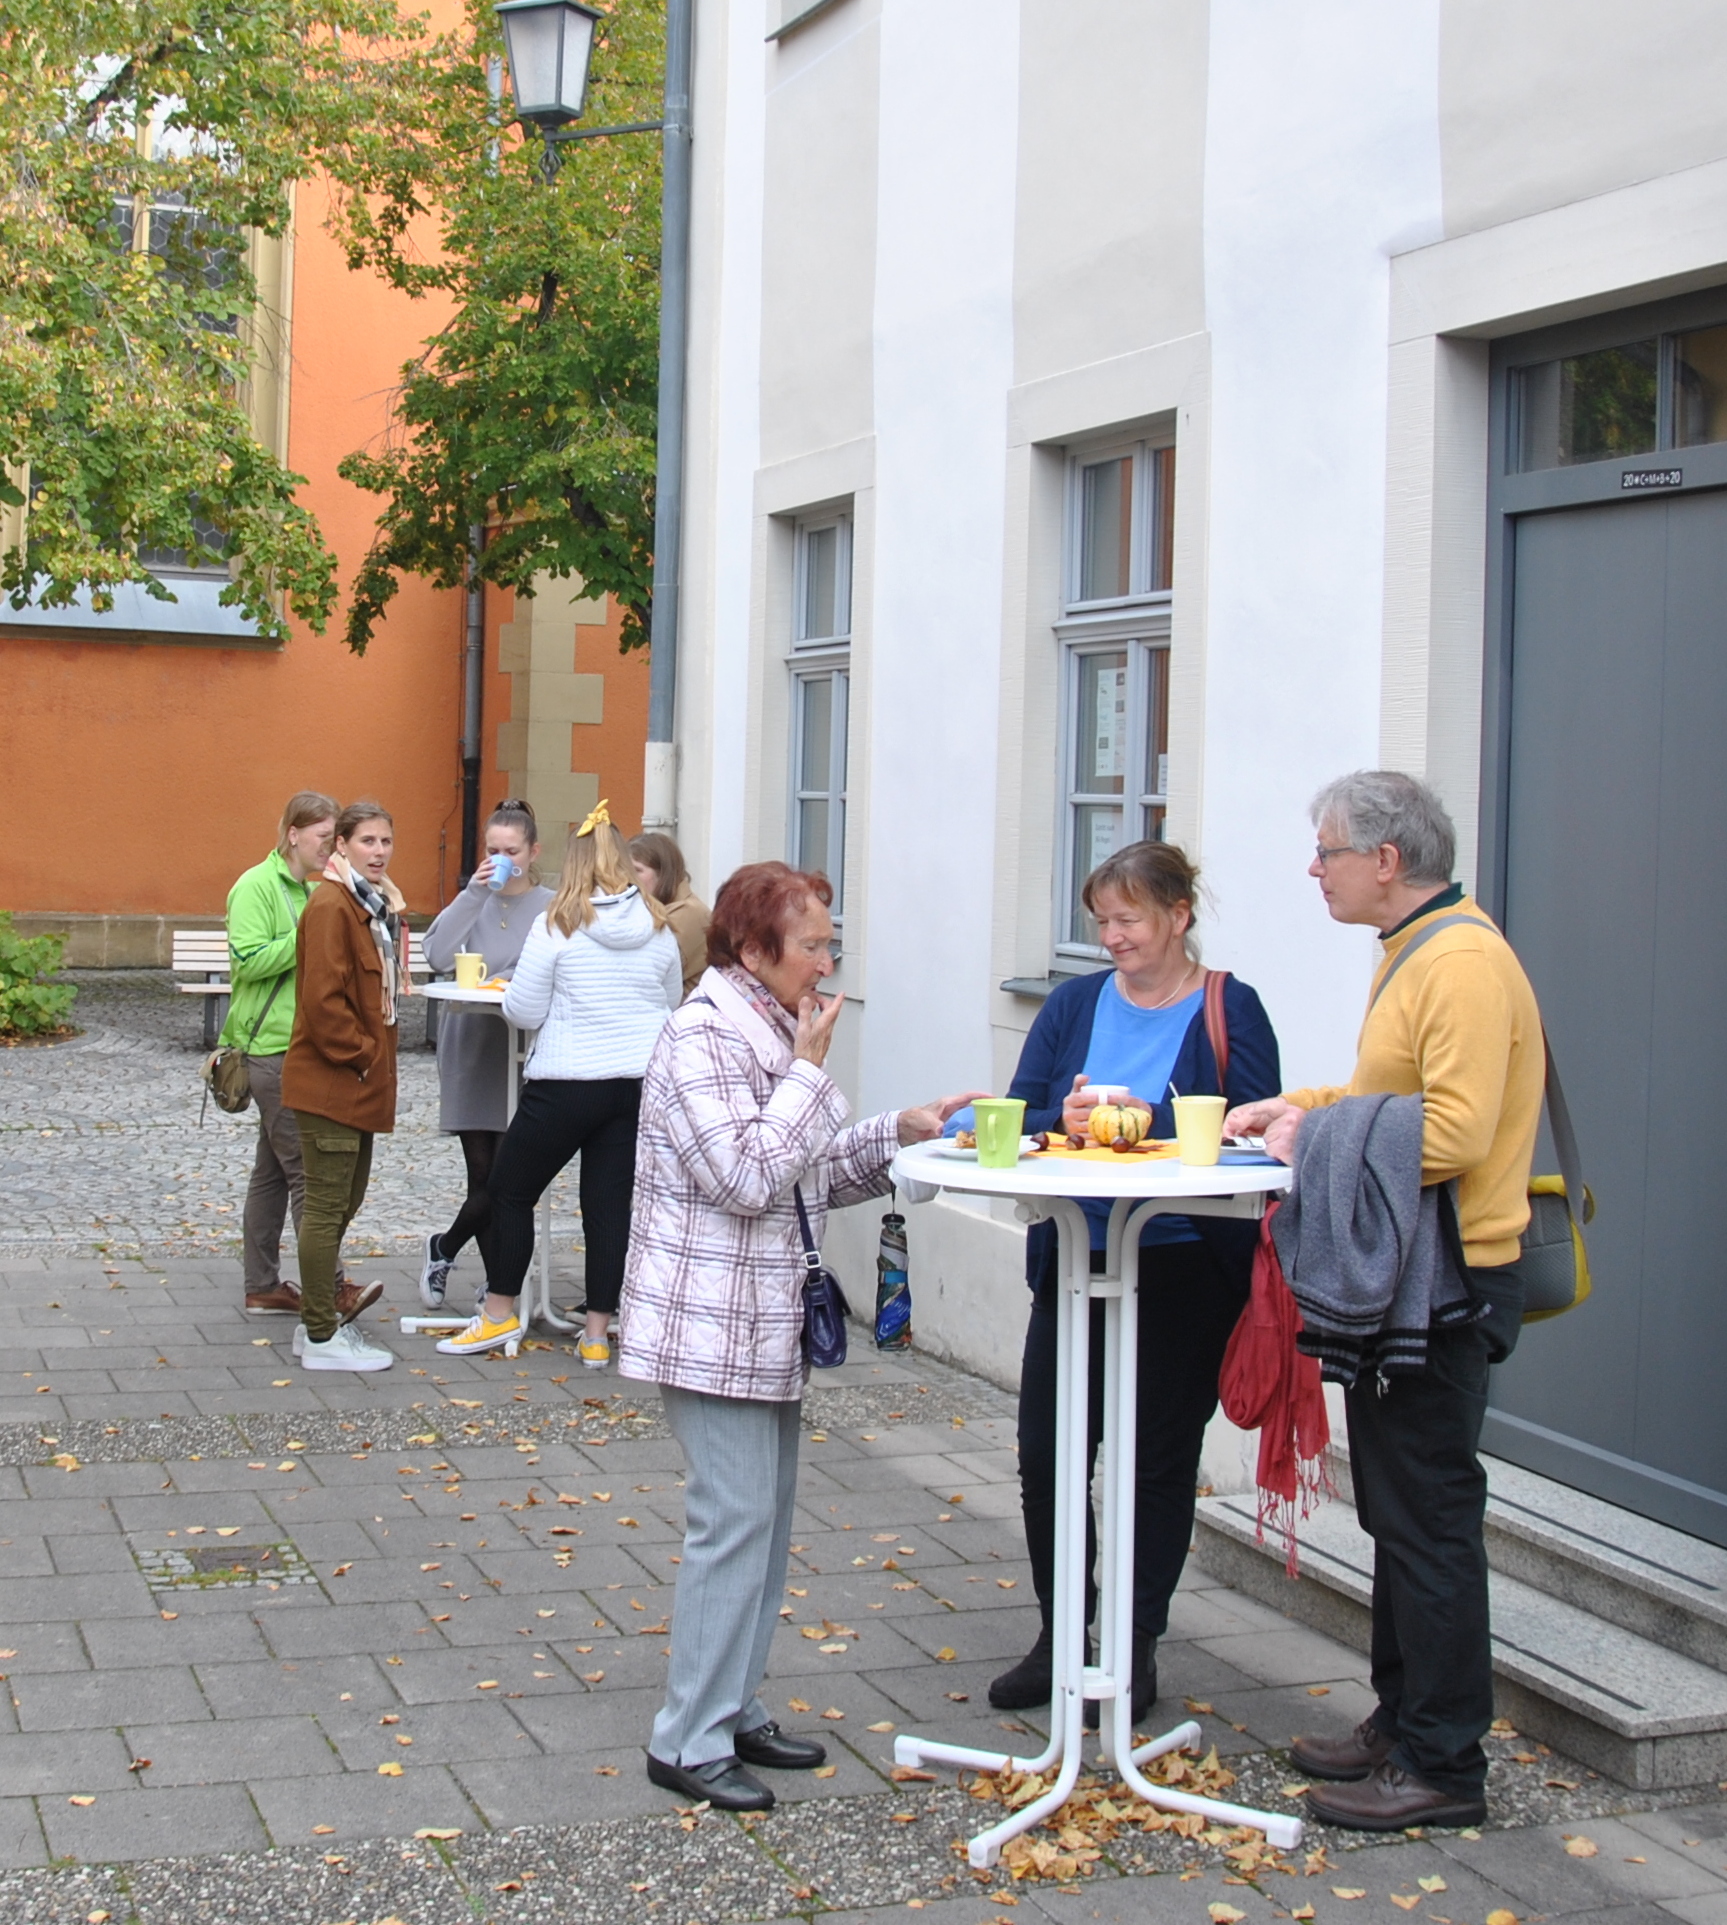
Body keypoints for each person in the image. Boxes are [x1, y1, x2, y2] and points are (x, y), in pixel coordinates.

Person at [620, 860, 981, 1813]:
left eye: (831, 941)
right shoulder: (699, 1036)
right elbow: (747, 1174)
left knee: (762, 1526)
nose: (828, 961)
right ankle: (685, 1738)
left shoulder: (770, 1026)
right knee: (729, 1524)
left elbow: (803, 1171)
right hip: (708, 1324)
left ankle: (730, 1708)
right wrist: (813, 1076)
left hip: (759, 1323)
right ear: (752, 950)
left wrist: (898, 1133)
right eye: (813, 944)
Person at [1225, 771, 1542, 1832]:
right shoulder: (1418, 949)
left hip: (1446, 1281)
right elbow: (1390, 1103)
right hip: (1418, 1274)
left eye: (1326, 851)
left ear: (1386, 861)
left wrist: (1310, 1137)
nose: (1312, 870)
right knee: (1397, 1513)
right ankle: (1400, 1721)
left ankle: (1443, 1765)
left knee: (1428, 1520)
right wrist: (1301, 1104)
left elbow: (1446, 1133)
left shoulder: (1456, 961)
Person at [983, 841, 1282, 1726]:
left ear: (1177, 916)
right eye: (1101, 922)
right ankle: (1060, 1635)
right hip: (1076, 1259)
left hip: (1183, 1267)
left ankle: (1132, 1639)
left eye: (1129, 920)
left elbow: (1254, 1136)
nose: (1111, 937)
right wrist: (1062, 1120)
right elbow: (1017, 1113)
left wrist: (1139, 1124)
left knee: (1154, 1462)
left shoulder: (1232, 1007)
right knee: (1048, 1454)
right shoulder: (1074, 1003)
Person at [436, 802, 681, 1365]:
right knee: (607, 1205)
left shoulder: (559, 924)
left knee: (510, 1190)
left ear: (572, 864)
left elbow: (523, 1010)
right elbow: (670, 1004)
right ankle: (597, 1332)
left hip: (569, 1079)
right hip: (635, 1082)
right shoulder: (658, 926)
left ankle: (498, 1314)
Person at [281, 801, 409, 1373]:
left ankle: (317, 1329)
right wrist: (362, 1057)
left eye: (386, 841)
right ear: (342, 847)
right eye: (367, 842)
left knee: (341, 1204)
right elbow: (323, 1002)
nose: (379, 852)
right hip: (334, 1082)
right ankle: (320, 1333)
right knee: (327, 1209)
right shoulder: (334, 903)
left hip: (355, 1084)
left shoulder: (366, 904)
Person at [418, 799, 554, 1308]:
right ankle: (499, 1288)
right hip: (473, 1044)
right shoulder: (472, 899)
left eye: (512, 851)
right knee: (485, 1175)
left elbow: (557, 969)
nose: (503, 859)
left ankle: (448, 1248)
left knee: (510, 1178)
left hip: (523, 1047)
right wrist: (473, 894)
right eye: (493, 850)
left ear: (533, 850)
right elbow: (435, 955)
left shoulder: (550, 904)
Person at [224, 791, 333, 1316]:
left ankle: (262, 1284)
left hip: (298, 1046)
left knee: (270, 1174)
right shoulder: (256, 886)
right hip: (269, 1049)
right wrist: (307, 935)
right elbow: (247, 961)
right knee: (308, 1174)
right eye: (322, 838)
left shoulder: (308, 890)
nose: (329, 848)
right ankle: (329, 1287)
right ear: (293, 834)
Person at [630, 831, 711, 999]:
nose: (627, 879)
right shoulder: (656, 909)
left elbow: (641, 976)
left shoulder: (688, 914)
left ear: (664, 873)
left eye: (637, 870)